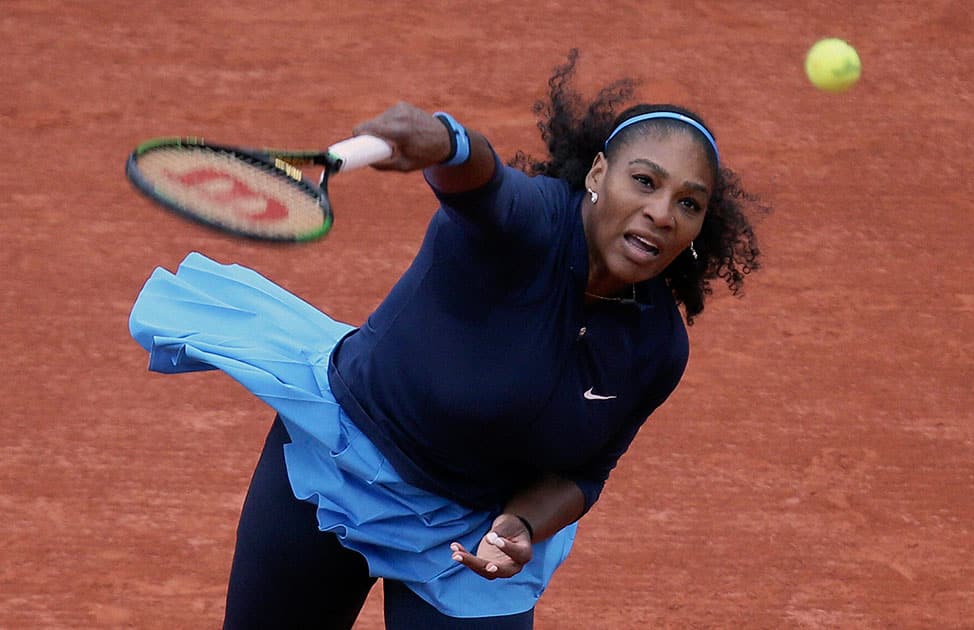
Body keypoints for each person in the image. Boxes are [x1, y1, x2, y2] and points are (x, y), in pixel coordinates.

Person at [128, 51, 764, 629]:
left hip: (467, 535)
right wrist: (448, 143)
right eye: (645, 182)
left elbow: (586, 471)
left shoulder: (657, 346)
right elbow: (485, 186)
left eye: (689, 203)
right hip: (348, 459)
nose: (662, 212)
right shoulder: (528, 225)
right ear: (598, 173)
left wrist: (522, 525)